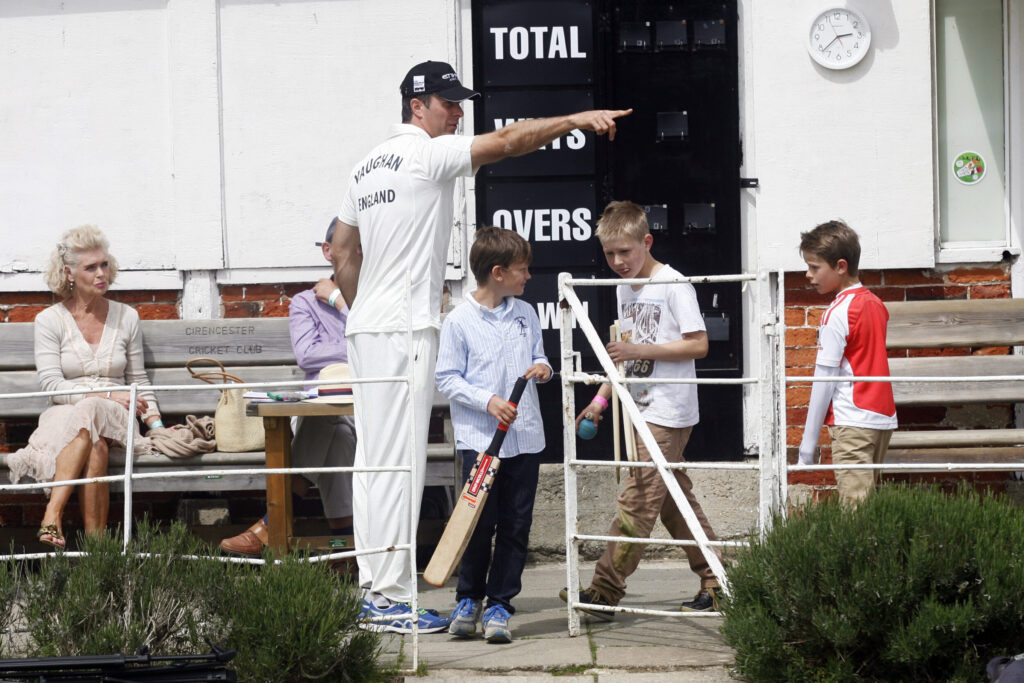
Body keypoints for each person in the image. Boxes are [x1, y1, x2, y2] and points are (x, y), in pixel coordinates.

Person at [329, 59, 630, 633]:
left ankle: (373, 590)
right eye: (448, 103)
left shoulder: (364, 166)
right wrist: (575, 117)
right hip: (403, 328)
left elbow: (342, 252)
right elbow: (511, 140)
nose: (458, 112)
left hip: (366, 325)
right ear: (417, 107)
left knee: (372, 460)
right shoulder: (425, 153)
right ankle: (387, 599)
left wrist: (365, 307)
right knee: (399, 463)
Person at [559, 200, 724, 616]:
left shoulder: (673, 284)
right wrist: (599, 401)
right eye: (610, 253)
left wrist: (638, 348)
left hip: (668, 411)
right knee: (671, 500)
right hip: (638, 406)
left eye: (625, 252)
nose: (617, 262)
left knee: (638, 500)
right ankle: (720, 581)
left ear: (646, 242)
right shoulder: (622, 288)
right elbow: (624, 357)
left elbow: (699, 343)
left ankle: (604, 590)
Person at [7, 225, 163, 549]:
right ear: (69, 273)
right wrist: (105, 394)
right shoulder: (49, 321)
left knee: (92, 410)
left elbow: (138, 381)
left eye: (104, 264)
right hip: (65, 414)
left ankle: (52, 514)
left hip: (118, 414)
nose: (101, 273)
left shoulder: (127, 317)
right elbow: (52, 386)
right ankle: (99, 556)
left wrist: (158, 426)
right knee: (95, 445)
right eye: (90, 267)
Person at [435, 227, 551, 644]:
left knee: (516, 524)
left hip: (525, 438)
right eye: (523, 270)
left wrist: (543, 368)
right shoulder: (459, 321)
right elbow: (446, 377)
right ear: (497, 272)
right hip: (480, 442)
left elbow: (539, 355)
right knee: (478, 525)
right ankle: (468, 599)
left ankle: (500, 604)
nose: (528, 276)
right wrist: (488, 400)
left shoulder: (525, 313)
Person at [219, 219, 356, 555]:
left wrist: (341, 303)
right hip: (322, 412)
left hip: (366, 411)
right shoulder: (305, 303)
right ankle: (345, 552)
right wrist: (357, 346)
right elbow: (308, 356)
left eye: (362, 246)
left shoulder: (376, 299)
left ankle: (272, 522)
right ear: (328, 251)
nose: (357, 253)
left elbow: (379, 347)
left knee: (332, 423)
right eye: (349, 246)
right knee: (334, 430)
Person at [797, 220, 897, 506]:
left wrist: (808, 443)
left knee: (856, 514)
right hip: (881, 417)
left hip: (852, 419)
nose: (808, 274)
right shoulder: (876, 304)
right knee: (868, 507)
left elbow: (824, 379)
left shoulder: (837, 313)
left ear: (840, 266)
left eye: (815, 267)